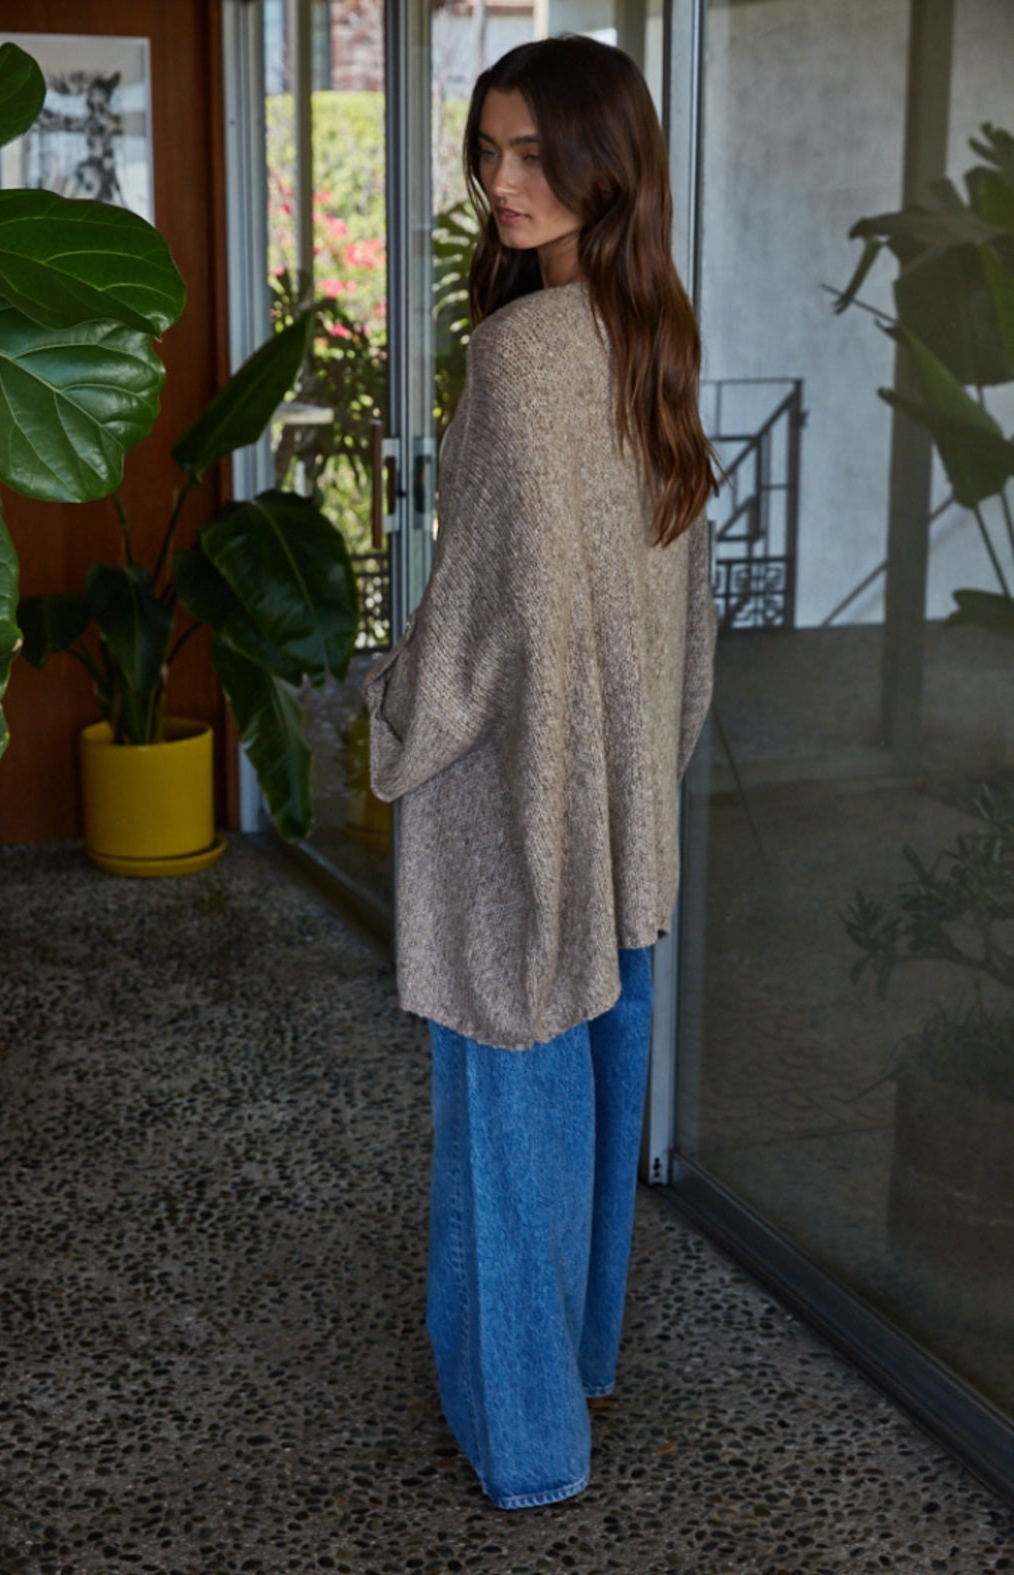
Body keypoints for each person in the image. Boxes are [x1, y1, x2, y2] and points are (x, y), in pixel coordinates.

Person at [363, 34, 716, 1510]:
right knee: (592, 1097)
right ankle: (577, 1368)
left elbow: (478, 623)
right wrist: (645, 772)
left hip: (512, 803)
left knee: (506, 1132)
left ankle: (524, 1449)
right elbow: (683, 611)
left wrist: (390, 708)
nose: (499, 183)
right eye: (487, 152)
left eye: (530, 153)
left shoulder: (518, 357)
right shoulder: (654, 341)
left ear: (600, 163)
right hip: (619, 803)